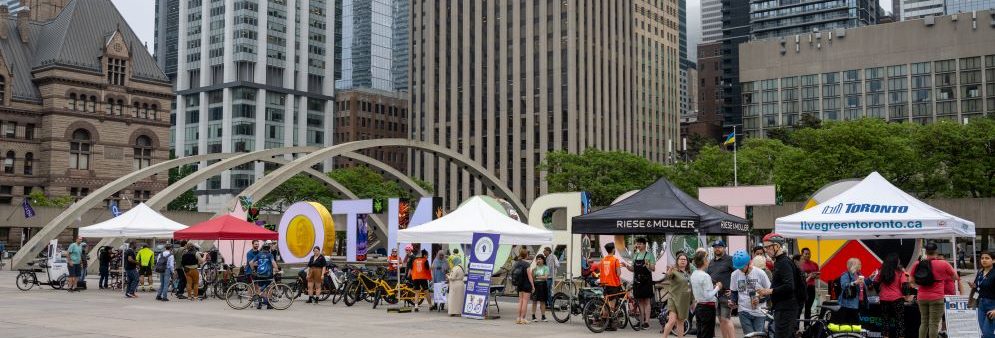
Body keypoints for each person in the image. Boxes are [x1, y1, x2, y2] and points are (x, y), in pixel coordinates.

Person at [910, 242, 959, 338]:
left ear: (926, 251)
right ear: (936, 251)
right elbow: (955, 277)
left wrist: (920, 284)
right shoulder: (943, 264)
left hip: (922, 297)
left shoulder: (917, 264)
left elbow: (911, 281)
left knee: (924, 322)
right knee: (933, 324)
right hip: (937, 297)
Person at [757, 233, 799, 338]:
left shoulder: (783, 262)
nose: (766, 250)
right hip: (782, 307)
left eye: (768, 247)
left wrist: (770, 291)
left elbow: (789, 286)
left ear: (777, 246)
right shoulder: (779, 261)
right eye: (764, 247)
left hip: (786, 309)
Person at [730, 249, 771, 335]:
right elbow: (734, 291)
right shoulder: (734, 274)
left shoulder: (760, 273)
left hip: (759, 311)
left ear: (748, 263)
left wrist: (759, 300)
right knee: (749, 335)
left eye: (742, 267)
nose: (740, 269)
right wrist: (732, 301)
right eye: (738, 267)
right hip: (743, 310)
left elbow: (770, 292)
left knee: (758, 335)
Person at [874, 253, 908, 338]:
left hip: (884, 299)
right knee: (899, 321)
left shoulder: (882, 272)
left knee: (885, 321)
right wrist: (905, 295)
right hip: (897, 299)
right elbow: (905, 286)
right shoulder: (900, 272)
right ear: (895, 261)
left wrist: (879, 292)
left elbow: (875, 283)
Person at [624, 237, 655, 329]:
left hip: (646, 280)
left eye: (640, 244)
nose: (638, 245)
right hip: (637, 281)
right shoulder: (635, 255)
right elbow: (633, 269)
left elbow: (653, 268)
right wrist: (626, 266)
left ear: (645, 245)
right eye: (637, 244)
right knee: (640, 301)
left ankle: (647, 322)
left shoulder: (649, 255)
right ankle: (641, 321)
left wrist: (648, 264)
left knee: (647, 301)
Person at [706, 240, 735, 338]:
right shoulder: (711, 262)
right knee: (721, 320)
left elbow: (738, 274)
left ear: (724, 248)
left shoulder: (730, 259)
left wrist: (733, 290)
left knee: (726, 319)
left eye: (719, 246)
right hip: (715, 295)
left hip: (726, 294)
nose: (717, 248)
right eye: (715, 247)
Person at [692, 250, 722, 338]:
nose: (708, 261)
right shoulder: (705, 276)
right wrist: (718, 287)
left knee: (700, 333)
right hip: (707, 308)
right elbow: (708, 296)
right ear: (704, 261)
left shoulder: (694, 274)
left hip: (699, 306)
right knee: (707, 334)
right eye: (707, 259)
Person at [662, 251, 692, 337]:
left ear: (687, 262)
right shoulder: (674, 271)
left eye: (685, 259)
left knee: (681, 322)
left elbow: (690, 288)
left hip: (684, 301)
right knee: (672, 321)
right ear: (677, 261)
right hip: (674, 299)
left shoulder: (688, 273)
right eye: (681, 259)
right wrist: (669, 271)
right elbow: (668, 277)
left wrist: (693, 300)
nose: (683, 261)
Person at [600, 242, 627, 331]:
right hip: (613, 284)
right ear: (613, 250)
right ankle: (610, 324)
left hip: (604, 283)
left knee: (605, 304)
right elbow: (618, 273)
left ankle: (604, 322)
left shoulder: (603, 260)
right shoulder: (615, 260)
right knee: (612, 305)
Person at [972, 251, 995, 338]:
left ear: (993, 260)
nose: (984, 260)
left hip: (992, 305)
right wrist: (974, 286)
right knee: (983, 331)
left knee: (987, 333)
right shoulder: (980, 272)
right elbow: (978, 285)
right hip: (981, 304)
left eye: (987, 258)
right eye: (982, 258)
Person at [250, 243, 280, 309]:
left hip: (259, 274)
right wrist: (277, 269)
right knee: (269, 288)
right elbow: (273, 262)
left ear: (262, 248)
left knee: (261, 289)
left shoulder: (258, 255)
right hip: (268, 275)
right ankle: (268, 304)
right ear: (269, 249)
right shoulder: (270, 255)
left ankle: (259, 304)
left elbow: (251, 262)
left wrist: (253, 270)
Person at [837, 258, 866, 324]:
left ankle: (853, 334)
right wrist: (855, 282)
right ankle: (849, 334)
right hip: (848, 303)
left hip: (858, 302)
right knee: (851, 323)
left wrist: (871, 278)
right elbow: (844, 285)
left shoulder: (858, 275)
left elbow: (864, 284)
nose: (860, 265)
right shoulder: (846, 275)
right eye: (859, 264)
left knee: (855, 323)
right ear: (854, 265)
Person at [799, 248, 820, 321]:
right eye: (806, 254)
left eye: (809, 253)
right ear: (802, 254)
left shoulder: (814, 264)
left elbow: (818, 276)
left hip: (811, 287)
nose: (808, 255)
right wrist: (809, 275)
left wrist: (815, 276)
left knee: (808, 308)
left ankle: (807, 328)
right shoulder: (799, 264)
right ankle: (796, 329)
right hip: (802, 288)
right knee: (800, 307)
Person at [514, 247, 533, 325]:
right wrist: (533, 285)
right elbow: (530, 276)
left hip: (519, 284)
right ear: (526, 255)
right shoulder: (527, 264)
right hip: (526, 284)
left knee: (520, 301)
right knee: (525, 301)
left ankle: (518, 318)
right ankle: (523, 318)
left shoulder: (517, 263)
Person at [530, 254, 550, 322]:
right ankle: (533, 315)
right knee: (534, 301)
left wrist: (537, 276)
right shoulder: (535, 268)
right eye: (537, 259)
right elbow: (532, 278)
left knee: (543, 301)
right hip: (535, 285)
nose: (539, 260)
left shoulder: (545, 267)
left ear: (543, 260)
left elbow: (545, 277)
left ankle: (543, 316)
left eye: (540, 259)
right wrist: (533, 272)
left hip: (543, 285)